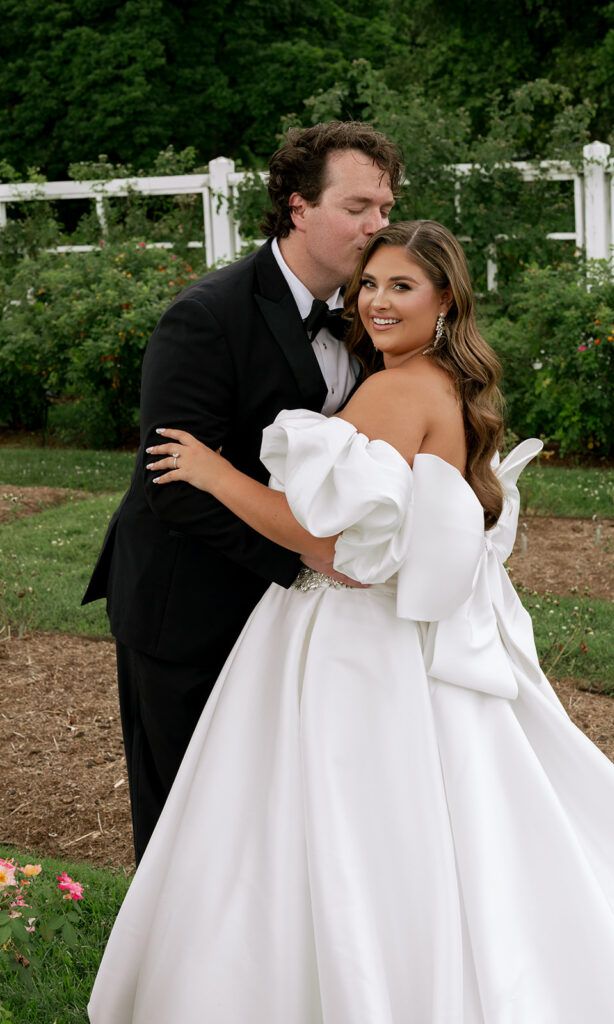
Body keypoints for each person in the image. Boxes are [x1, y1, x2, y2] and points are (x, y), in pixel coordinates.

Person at [89, 220, 614, 1024]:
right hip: (402, 630)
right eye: (368, 284)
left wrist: (212, 471)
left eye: (400, 286)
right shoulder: (449, 384)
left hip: (350, 632)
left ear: (445, 300)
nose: (373, 301)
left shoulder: (395, 391)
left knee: (329, 820)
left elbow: (325, 541)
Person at [81, 121, 403, 863]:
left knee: (272, 819)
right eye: (358, 207)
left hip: (294, 617)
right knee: (185, 826)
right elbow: (174, 487)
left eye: (385, 207)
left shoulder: (370, 312)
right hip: (185, 607)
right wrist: (305, 563)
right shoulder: (206, 317)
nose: (378, 224)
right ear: (297, 207)